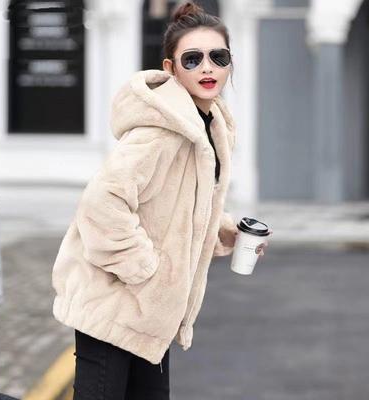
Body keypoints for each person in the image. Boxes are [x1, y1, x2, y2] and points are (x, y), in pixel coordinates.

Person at [51, 1, 270, 399]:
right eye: (192, 59)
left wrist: (227, 231)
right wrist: (146, 271)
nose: (207, 68)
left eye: (218, 57)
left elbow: (184, 202)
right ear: (171, 69)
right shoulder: (159, 132)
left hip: (149, 314)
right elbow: (101, 204)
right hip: (115, 304)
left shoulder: (208, 126)